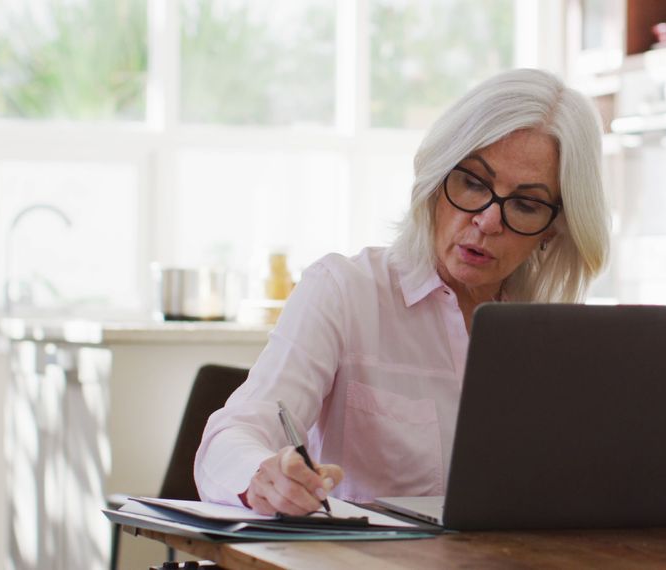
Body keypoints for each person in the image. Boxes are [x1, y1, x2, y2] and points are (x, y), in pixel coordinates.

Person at [194, 68, 610, 515]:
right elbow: (232, 436)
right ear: (435, 179)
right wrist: (264, 476)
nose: (488, 221)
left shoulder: (560, 335)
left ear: (553, 229)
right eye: (472, 182)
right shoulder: (344, 292)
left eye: (526, 204)